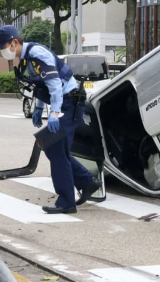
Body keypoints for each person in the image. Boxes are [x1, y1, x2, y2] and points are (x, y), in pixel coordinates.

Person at [0, 25, 101, 214]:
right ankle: (87, 182)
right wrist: (38, 107)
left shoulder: (37, 53)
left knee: (55, 149)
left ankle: (67, 202)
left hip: (70, 103)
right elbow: (41, 84)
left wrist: (54, 113)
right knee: (56, 149)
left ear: (14, 42)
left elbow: (54, 84)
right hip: (64, 104)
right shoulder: (23, 59)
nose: (2, 51)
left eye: (3, 46)